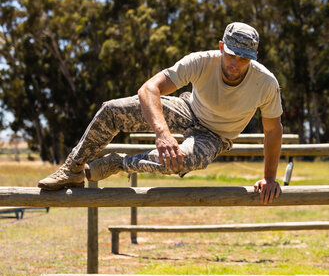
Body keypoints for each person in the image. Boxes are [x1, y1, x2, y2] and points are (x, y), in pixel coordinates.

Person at [38, 22, 283, 204]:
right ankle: (73, 168)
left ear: (254, 57)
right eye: (231, 55)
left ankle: (117, 163)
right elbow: (149, 88)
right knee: (112, 109)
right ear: (221, 47)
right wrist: (162, 133)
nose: (235, 64)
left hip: (217, 135)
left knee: (180, 160)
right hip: (188, 109)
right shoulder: (199, 61)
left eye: (243, 59)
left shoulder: (265, 83)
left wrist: (269, 178)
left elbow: (273, 131)